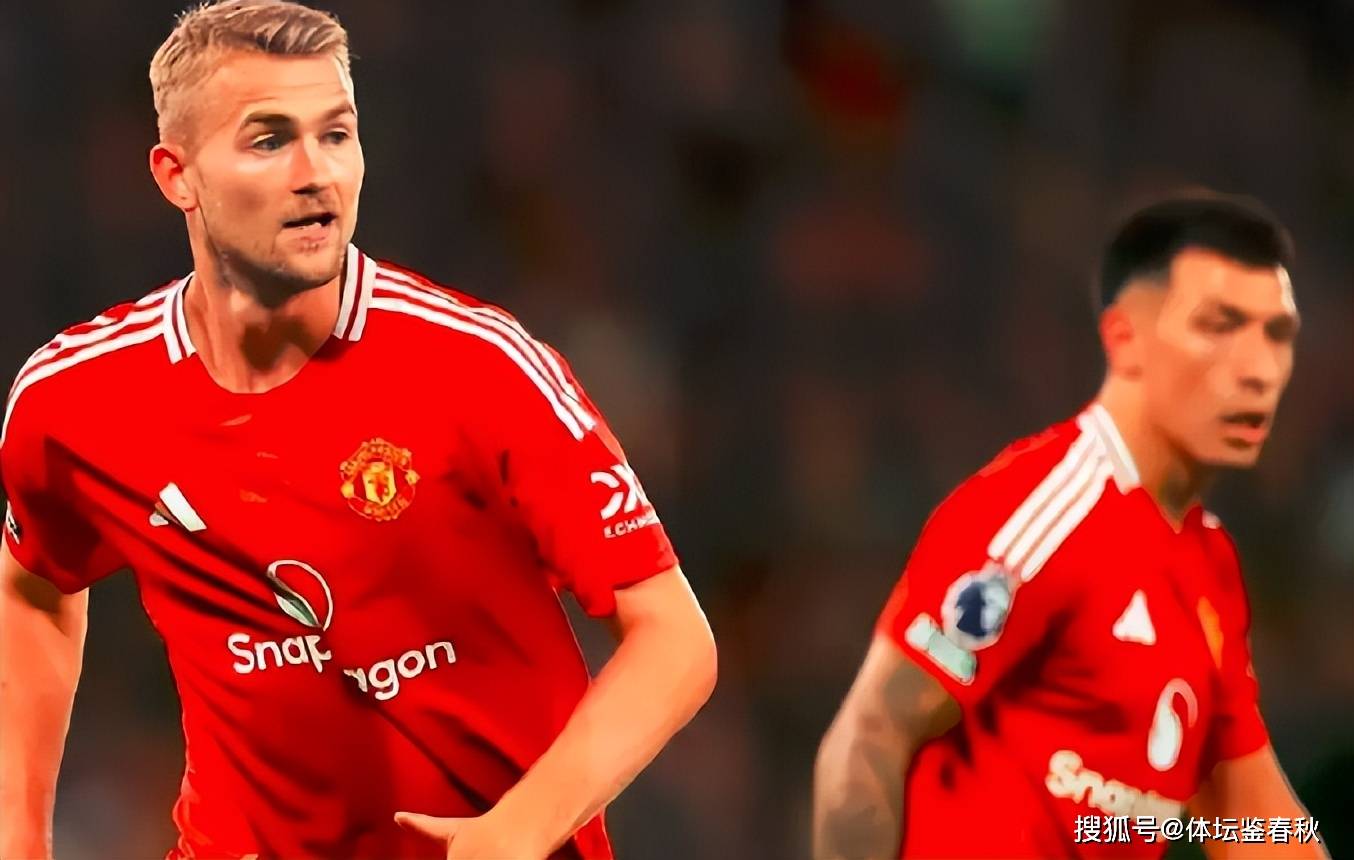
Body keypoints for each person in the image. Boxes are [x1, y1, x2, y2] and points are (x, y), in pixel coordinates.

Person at [0, 2, 716, 858]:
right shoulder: (76, 399)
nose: (316, 174)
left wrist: (518, 830)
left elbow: (675, 642)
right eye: (270, 140)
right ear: (176, 174)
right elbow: (32, 587)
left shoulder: (478, 367)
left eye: (336, 134)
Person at [813, 193, 1329, 859]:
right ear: (1125, 340)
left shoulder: (1212, 567)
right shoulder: (1048, 508)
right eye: (1220, 326)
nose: (1257, 369)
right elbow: (870, 738)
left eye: (1277, 335)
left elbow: (1253, 823)